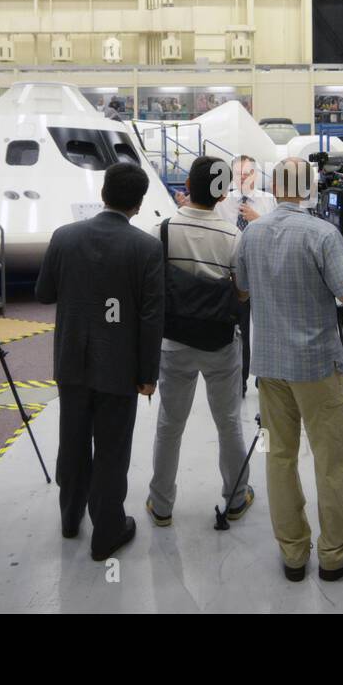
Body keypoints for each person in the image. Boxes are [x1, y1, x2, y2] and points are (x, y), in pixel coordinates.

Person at [233, 157, 343, 582]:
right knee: (332, 459)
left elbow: (241, 290)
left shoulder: (251, 233)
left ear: (274, 187)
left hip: (269, 366)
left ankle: (293, 553)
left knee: (279, 456)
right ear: (311, 187)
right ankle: (335, 554)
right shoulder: (322, 233)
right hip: (317, 366)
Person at [35, 163, 164, 561]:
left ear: (103, 192)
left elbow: (43, 294)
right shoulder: (146, 247)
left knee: (72, 438)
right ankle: (107, 531)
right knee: (111, 448)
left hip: (71, 361)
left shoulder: (64, 236)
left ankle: (70, 517)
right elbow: (150, 317)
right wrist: (147, 375)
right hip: (120, 368)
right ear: (140, 203)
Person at [146, 156, 252, 526]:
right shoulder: (234, 236)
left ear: (187, 187)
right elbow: (241, 293)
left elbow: (154, 288)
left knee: (169, 424)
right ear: (223, 193)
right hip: (219, 342)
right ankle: (236, 497)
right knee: (228, 422)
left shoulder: (162, 230)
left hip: (173, 342)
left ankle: (161, 505)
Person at [214, 155, 277, 391]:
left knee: (265, 328)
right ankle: (239, 380)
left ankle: (266, 377)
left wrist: (258, 220)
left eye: (248, 173)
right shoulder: (222, 202)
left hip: (264, 273)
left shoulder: (268, 201)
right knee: (238, 332)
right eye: (239, 173)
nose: (243, 177)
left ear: (257, 174)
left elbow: (279, 233)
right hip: (234, 276)